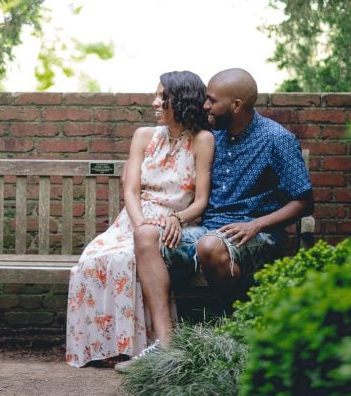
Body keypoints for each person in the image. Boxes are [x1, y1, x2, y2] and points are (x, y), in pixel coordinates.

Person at [116, 67, 313, 373]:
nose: (204, 106)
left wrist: (257, 224)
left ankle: (239, 326)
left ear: (235, 105)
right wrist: (175, 217)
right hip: (206, 229)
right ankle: (166, 345)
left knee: (210, 246)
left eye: (211, 101)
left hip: (254, 234)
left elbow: (304, 201)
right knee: (146, 236)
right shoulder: (210, 136)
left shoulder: (276, 139)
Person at [65, 71, 214, 368]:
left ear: (181, 101)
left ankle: (144, 348)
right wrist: (139, 223)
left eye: (163, 97)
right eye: (156, 96)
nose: (155, 102)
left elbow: (201, 201)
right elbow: (130, 189)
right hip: (134, 221)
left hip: (173, 223)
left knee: (125, 261)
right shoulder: (144, 136)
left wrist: (178, 218)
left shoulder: (202, 140)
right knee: (91, 259)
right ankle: (105, 348)